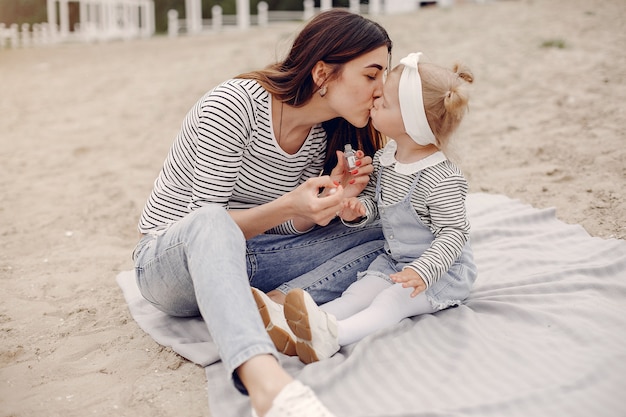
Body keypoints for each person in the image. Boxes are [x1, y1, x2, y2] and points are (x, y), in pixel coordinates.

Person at [132, 9, 392, 417]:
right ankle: (266, 384)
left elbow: (282, 225)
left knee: (389, 228)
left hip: (251, 257)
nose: (380, 90)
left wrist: (326, 204)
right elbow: (207, 224)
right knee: (211, 222)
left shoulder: (321, 135)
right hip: (171, 265)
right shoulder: (234, 106)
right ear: (323, 73)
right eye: (371, 75)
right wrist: (291, 204)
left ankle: (275, 306)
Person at [253, 52, 477, 364]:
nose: (374, 101)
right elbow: (377, 202)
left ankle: (333, 337)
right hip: (394, 261)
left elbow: (453, 233)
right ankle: (299, 329)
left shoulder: (441, 177)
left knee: (390, 303)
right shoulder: (389, 156)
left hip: (437, 273)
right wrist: (359, 209)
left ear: (410, 122)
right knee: (358, 294)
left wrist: (422, 272)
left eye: (383, 103)